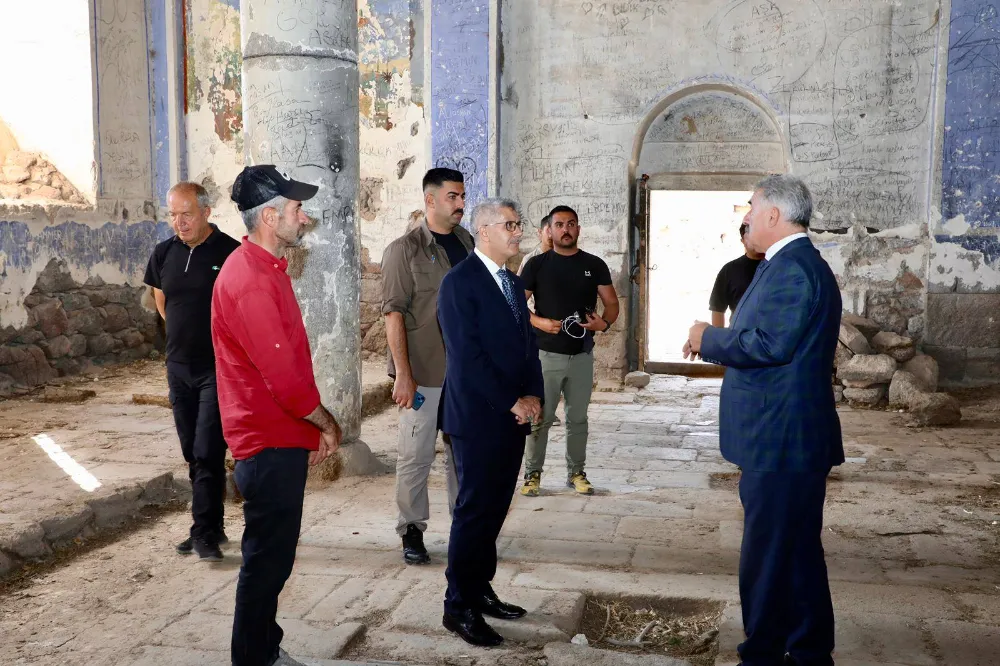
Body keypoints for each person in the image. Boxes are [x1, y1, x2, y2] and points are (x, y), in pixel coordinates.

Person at [684, 174, 843, 666]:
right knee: (795, 549)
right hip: (785, 435)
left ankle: (763, 653)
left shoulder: (793, 268)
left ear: (774, 214)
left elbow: (771, 344)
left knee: (769, 554)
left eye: (751, 207)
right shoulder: (787, 263)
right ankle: (809, 649)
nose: (747, 217)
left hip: (781, 437)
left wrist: (707, 338)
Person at [212, 165, 344, 666]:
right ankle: (253, 657)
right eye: (296, 208)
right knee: (267, 562)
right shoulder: (249, 280)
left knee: (275, 558)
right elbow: (285, 381)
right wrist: (326, 424)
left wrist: (305, 434)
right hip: (264, 441)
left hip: (277, 435)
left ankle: (264, 645)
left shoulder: (265, 268)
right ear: (270, 217)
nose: (303, 217)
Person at [436, 198, 543, 647]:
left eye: (518, 225)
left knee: (497, 507)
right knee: (474, 511)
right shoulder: (459, 283)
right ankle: (458, 606)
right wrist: (510, 401)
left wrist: (534, 394)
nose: (518, 232)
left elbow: (527, 346)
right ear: (483, 231)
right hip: (478, 415)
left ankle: (480, 588)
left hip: (512, 414)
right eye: (509, 225)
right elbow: (467, 357)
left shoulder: (513, 283)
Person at [143, 181, 240, 561]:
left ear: (206, 212)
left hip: (216, 368)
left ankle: (202, 532)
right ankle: (212, 525)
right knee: (192, 451)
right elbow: (163, 303)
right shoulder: (163, 253)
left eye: (186, 214)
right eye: (173, 214)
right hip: (178, 367)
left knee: (207, 448)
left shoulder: (230, 252)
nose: (179, 222)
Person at [381, 167, 473, 565]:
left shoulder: (467, 242)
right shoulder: (403, 250)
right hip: (423, 374)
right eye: (453, 196)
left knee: (462, 456)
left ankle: (464, 530)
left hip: (463, 375)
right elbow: (393, 315)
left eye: (462, 196)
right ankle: (412, 530)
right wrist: (404, 374)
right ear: (430, 200)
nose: (460, 203)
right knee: (416, 456)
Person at [519, 205, 619, 497]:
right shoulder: (536, 265)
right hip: (545, 355)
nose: (566, 229)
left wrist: (604, 323)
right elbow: (515, 306)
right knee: (540, 418)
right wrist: (538, 321)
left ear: (578, 229)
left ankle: (576, 473)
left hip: (581, 355)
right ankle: (532, 475)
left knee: (578, 419)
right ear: (549, 230)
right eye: (559, 224)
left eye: (571, 224)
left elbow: (612, 303)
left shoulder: (594, 264)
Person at [709, 222, 765, 327]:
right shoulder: (729, 270)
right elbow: (717, 308)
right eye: (750, 237)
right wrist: (719, 336)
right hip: (738, 333)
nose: (755, 241)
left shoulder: (777, 265)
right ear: (742, 241)